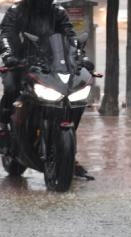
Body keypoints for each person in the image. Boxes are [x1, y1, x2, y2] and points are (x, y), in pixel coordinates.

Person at [0, 0, 94, 180]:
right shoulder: (16, 11)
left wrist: (81, 58)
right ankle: (3, 126)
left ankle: (68, 155)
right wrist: (9, 56)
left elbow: (70, 37)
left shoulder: (57, 12)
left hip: (51, 66)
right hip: (21, 63)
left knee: (74, 96)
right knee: (12, 87)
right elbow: (5, 34)